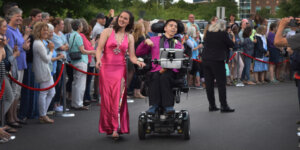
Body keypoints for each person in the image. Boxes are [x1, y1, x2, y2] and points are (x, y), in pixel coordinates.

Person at [95, 10, 145, 139]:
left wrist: (139, 62)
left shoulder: (130, 37)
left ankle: (116, 127)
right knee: (107, 99)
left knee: (119, 98)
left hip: (120, 70)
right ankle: (109, 127)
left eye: (125, 18)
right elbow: (99, 48)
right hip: (106, 68)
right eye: (121, 17)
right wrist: (98, 60)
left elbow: (132, 57)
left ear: (129, 22)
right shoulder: (107, 31)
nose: (122, 20)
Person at [136, 19, 183, 114]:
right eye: (171, 25)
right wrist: (145, 43)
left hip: (171, 70)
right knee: (155, 76)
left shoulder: (177, 43)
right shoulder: (153, 40)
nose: (173, 27)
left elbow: (177, 60)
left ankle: (168, 106)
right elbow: (139, 52)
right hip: (155, 70)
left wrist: (165, 68)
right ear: (165, 28)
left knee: (165, 76)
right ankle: (154, 105)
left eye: (175, 26)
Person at [202, 19, 235, 112]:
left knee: (209, 84)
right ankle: (224, 106)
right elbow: (231, 44)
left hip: (206, 59)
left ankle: (212, 105)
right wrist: (231, 36)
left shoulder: (208, 33)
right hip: (217, 60)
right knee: (221, 83)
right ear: (223, 26)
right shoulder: (222, 34)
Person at [5, 7, 30, 128]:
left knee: (17, 92)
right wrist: (22, 47)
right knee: (13, 92)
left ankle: (15, 116)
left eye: (21, 16)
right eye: (17, 16)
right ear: (10, 17)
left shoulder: (17, 30)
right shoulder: (8, 31)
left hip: (21, 63)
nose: (20, 18)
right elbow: (10, 51)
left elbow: (20, 45)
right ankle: (10, 118)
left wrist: (25, 46)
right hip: (14, 65)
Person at [69, 19, 95, 110]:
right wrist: (92, 52)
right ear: (79, 27)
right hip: (81, 61)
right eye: (81, 25)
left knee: (75, 83)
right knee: (80, 84)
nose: (82, 27)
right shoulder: (78, 36)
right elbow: (83, 50)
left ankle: (74, 102)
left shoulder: (71, 35)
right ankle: (78, 103)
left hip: (74, 61)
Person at [32, 22, 55, 123]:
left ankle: (43, 114)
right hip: (43, 71)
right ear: (38, 31)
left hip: (46, 70)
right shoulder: (38, 43)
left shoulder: (41, 42)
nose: (46, 32)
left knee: (51, 92)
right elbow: (47, 59)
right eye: (43, 30)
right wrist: (51, 50)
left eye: (47, 30)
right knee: (44, 92)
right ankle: (42, 115)